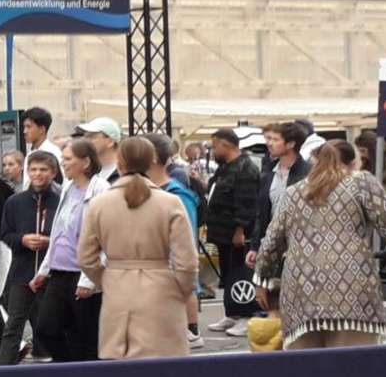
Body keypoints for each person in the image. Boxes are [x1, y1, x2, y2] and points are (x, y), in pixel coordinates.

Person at [256, 140, 386, 348]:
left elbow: (272, 241)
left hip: (300, 291)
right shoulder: (362, 183)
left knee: (307, 372)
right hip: (353, 292)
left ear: (315, 162)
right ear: (353, 163)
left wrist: (262, 278)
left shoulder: (293, 193)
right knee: (351, 370)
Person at [77, 136, 196, 359]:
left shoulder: (99, 204)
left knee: (122, 369)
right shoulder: (170, 202)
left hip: (117, 290)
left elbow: (85, 257)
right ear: (152, 161)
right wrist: (181, 289)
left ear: (119, 163)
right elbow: (187, 261)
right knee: (165, 369)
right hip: (162, 289)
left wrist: (107, 279)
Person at [33, 138, 105, 363]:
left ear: (85, 162)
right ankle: (68, 367)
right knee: (45, 328)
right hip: (59, 272)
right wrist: (44, 269)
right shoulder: (68, 188)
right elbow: (58, 233)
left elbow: (104, 238)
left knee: (85, 334)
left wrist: (88, 280)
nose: (63, 163)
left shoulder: (101, 189)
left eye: (68, 159)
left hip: (83, 274)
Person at [0, 149, 60, 364]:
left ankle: (52, 364)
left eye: (43, 169)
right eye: (33, 169)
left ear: (53, 172)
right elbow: (5, 234)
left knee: (49, 326)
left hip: (52, 274)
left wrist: (49, 241)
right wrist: (22, 240)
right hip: (21, 273)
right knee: (13, 325)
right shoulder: (15, 202)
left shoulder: (61, 200)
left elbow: (69, 236)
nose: (38, 174)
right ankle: (4, 370)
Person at [202, 128, 261, 337]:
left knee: (240, 273)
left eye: (215, 146)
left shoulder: (245, 169)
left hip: (236, 234)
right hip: (221, 233)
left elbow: (247, 203)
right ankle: (232, 313)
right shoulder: (225, 168)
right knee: (227, 274)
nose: (213, 150)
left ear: (226, 145)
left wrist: (240, 229)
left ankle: (246, 316)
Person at [148, 134, 205, 344]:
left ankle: (191, 330)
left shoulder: (177, 195)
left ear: (153, 157)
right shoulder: (149, 191)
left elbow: (186, 244)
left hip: (170, 276)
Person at [251, 120, 312, 254]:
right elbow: (261, 214)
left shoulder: (309, 174)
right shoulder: (268, 173)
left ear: (291, 144)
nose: (269, 143)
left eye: (275, 139)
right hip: (271, 246)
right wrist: (255, 247)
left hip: (299, 247)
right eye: (269, 138)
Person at [73, 116, 123, 187]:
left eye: (91, 136)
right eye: (85, 136)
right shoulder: (85, 172)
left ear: (110, 141)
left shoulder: (125, 173)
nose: (86, 140)